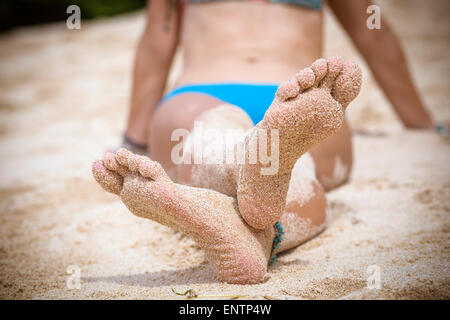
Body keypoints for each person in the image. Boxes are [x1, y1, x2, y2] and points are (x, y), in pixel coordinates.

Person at [92, 0, 434, 284]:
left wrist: (133, 138)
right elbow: (371, 30)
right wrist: (422, 125)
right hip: (296, 92)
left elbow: (157, 38)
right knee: (299, 169)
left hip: (210, 92)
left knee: (207, 136)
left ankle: (241, 196)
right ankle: (267, 208)